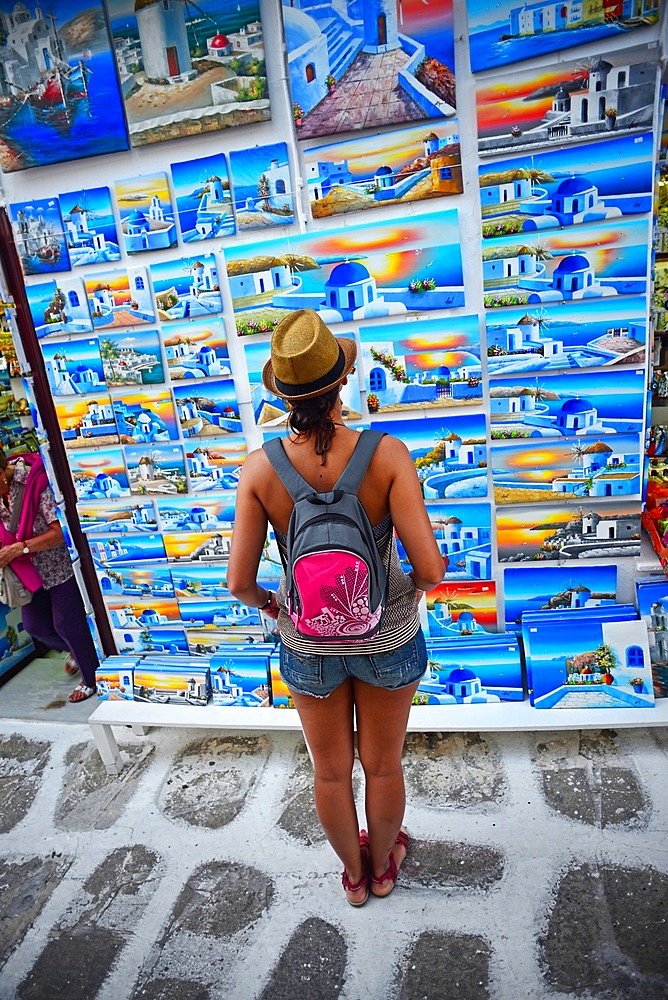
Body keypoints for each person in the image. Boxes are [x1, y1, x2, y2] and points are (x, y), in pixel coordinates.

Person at [227, 310, 444, 906]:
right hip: (389, 640)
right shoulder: (388, 454)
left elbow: (238, 582)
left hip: (307, 645)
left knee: (329, 771)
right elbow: (430, 570)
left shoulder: (259, 469)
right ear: (342, 380)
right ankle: (383, 867)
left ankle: (354, 877)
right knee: (382, 765)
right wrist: (392, 597)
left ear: (283, 394)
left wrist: (278, 607)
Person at [0, 453, 100, 702]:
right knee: (36, 626)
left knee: (67, 623)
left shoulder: (33, 482)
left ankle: (91, 678)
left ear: (2, 472)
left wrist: (19, 548)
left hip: (57, 565)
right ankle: (81, 652)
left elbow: (59, 533)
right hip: (27, 573)